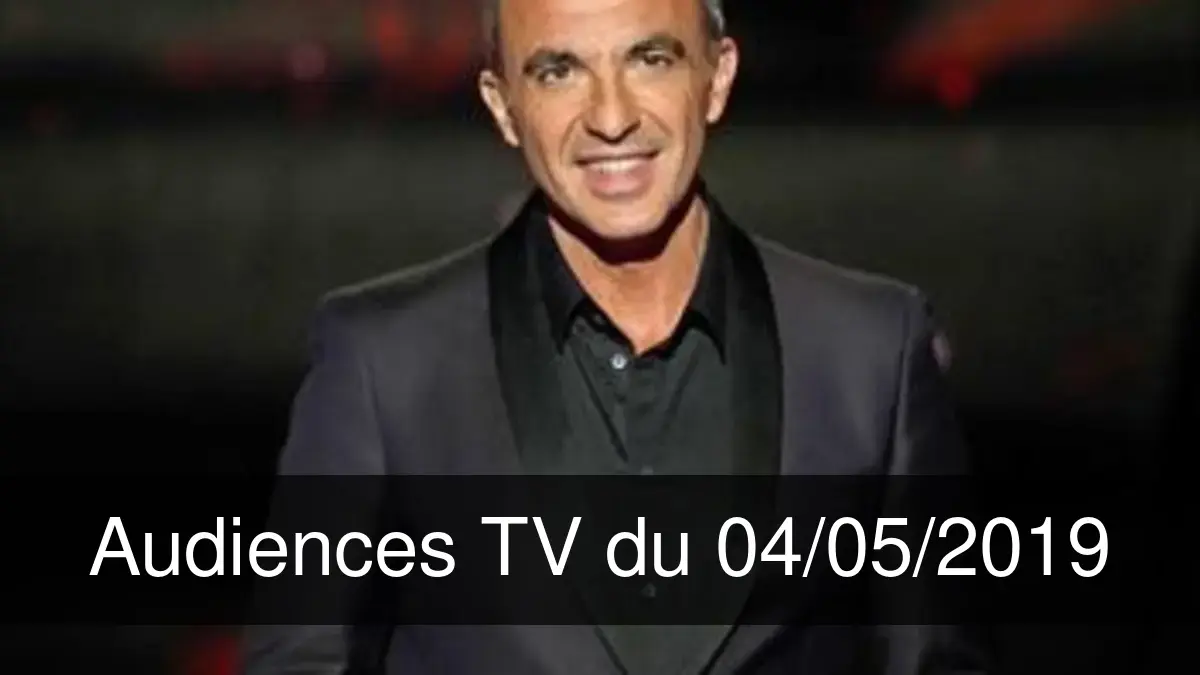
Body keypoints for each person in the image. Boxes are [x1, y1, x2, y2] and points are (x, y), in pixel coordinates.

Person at [242, 0, 989, 673]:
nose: (611, 116)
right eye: (559, 71)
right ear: (503, 106)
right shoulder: (383, 362)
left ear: (717, 77)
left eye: (649, 59)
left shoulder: (871, 351)